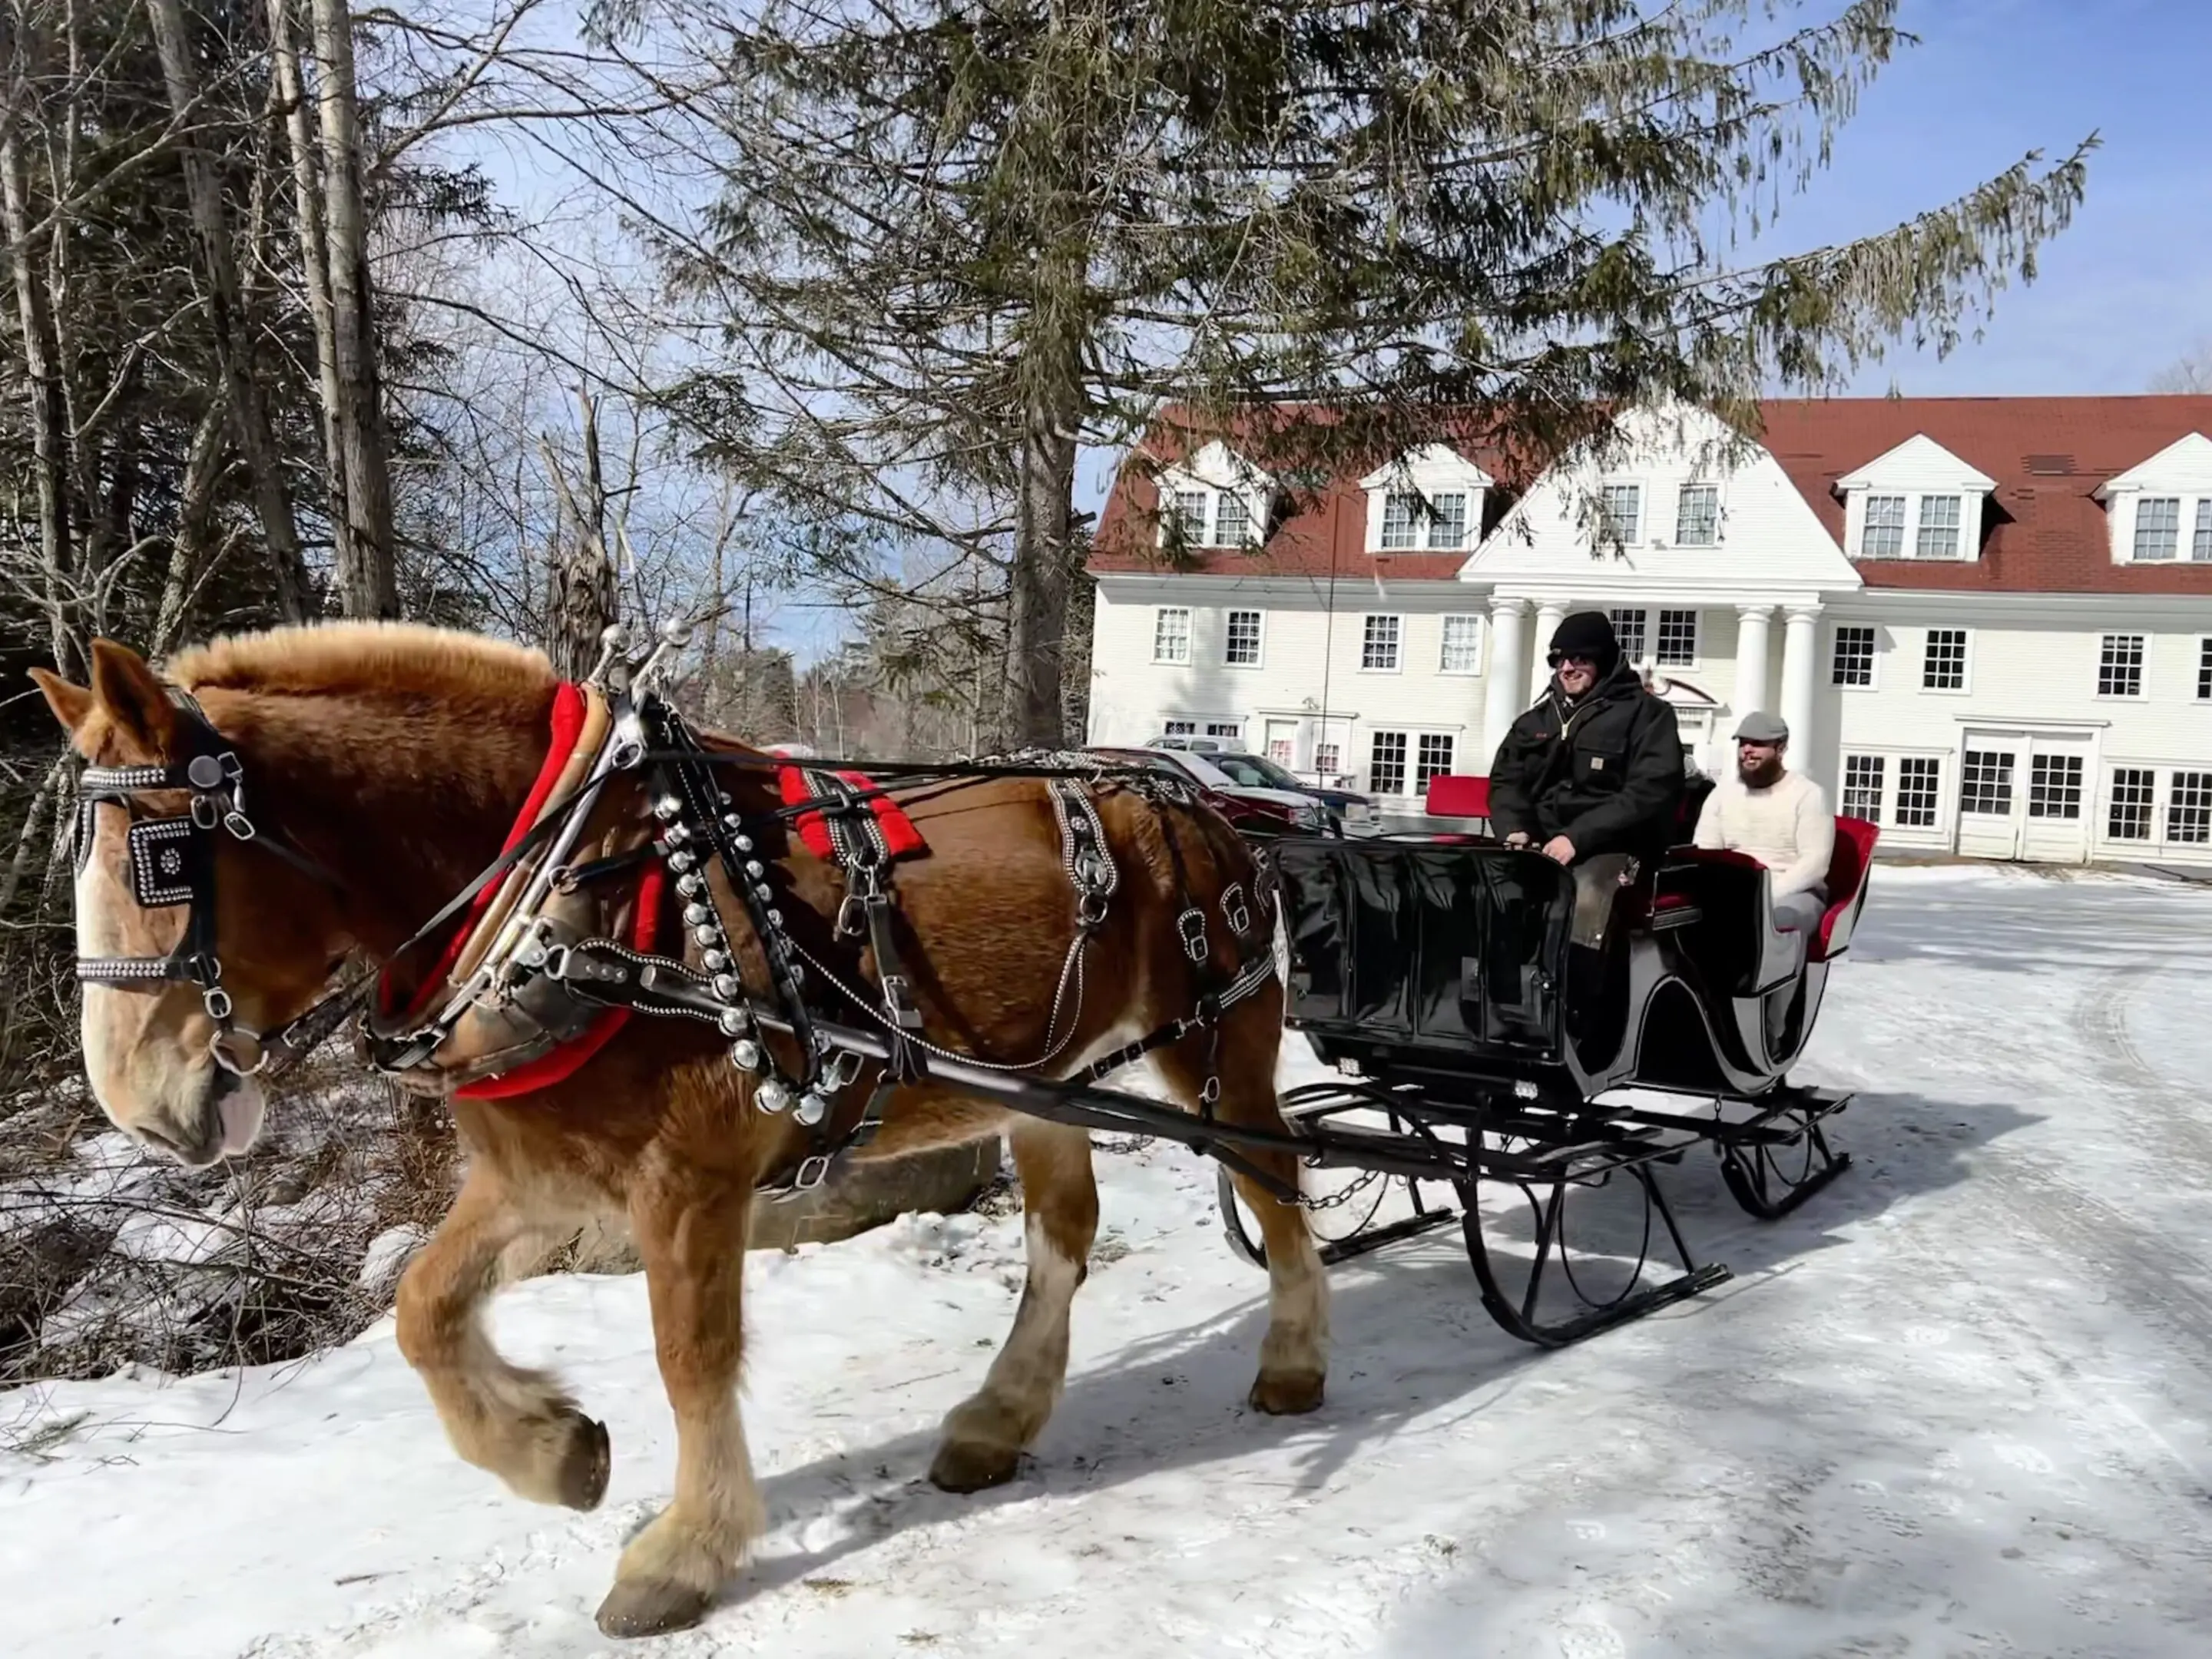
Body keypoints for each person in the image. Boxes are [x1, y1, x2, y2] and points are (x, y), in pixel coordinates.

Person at [1489, 609, 1687, 949]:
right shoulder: (1536, 720)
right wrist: (1514, 829)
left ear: (1604, 659)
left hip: (1614, 848)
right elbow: (1507, 781)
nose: (1567, 668)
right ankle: (1489, 993)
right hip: (1542, 844)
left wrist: (1577, 838)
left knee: (1583, 899)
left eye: (1579, 658)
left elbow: (1649, 790)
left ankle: (1577, 996)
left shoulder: (1647, 716)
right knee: (1485, 893)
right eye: (1559, 660)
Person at [1693, 711, 1835, 937]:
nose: (1747, 750)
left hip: (1794, 892)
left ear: (1781, 749)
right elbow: (1705, 852)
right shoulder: (1722, 794)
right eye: (1743, 743)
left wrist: (1763, 897)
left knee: (1775, 919)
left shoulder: (1808, 795)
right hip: (1731, 889)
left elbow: (1813, 866)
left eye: (1757, 744)